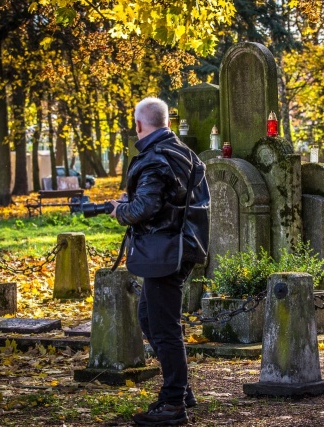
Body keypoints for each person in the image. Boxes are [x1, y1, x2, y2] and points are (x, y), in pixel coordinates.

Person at [109, 97, 210, 426]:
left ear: (139, 125)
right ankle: (182, 391)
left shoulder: (155, 158)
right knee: (150, 318)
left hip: (166, 251)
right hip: (179, 246)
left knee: (162, 327)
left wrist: (120, 211)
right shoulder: (181, 151)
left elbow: (144, 210)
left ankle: (172, 404)